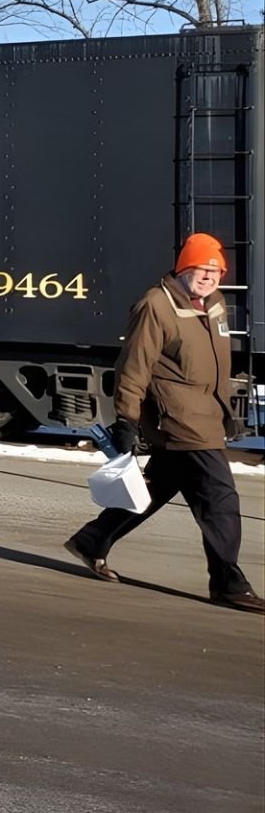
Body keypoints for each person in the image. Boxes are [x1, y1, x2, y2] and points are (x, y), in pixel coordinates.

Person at [64, 232, 265, 614]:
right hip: (180, 417)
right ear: (184, 268)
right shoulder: (156, 306)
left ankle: (92, 540)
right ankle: (228, 583)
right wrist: (127, 418)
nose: (209, 277)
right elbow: (134, 366)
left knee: (155, 488)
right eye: (201, 269)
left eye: (215, 270)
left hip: (207, 411)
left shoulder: (215, 302)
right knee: (220, 498)